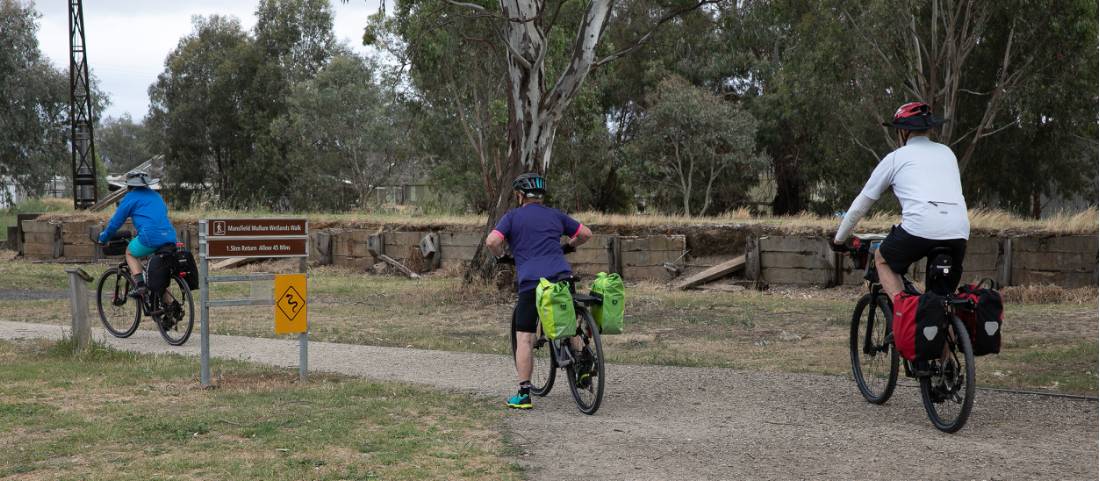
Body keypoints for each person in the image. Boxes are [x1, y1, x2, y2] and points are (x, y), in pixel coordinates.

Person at [832, 102, 970, 298]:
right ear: (929, 127)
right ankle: (948, 327)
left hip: (920, 228)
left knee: (882, 259)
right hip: (959, 231)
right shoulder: (948, 153)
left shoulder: (896, 158)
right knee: (942, 304)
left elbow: (860, 205)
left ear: (904, 131)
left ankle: (904, 317)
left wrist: (839, 239)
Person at [485, 173, 592, 409]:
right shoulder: (555, 215)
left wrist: (502, 257)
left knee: (524, 337)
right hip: (561, 277)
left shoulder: (512, 217)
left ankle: (524, 394)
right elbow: (585, 234)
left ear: (520, 195)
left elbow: (492, 241)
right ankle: (584, 364)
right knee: (569, 323)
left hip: (532, 283)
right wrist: (567, 247)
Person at [98, 171, 178, 298]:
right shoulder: (156, 196)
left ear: (129, 185)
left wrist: (103, 237)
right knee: (158, 275)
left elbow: (115, 223)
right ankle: (170, 308)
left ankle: (140, 285)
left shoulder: (130, 198)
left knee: (130, 253)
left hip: (150, 237)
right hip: (170, 236)